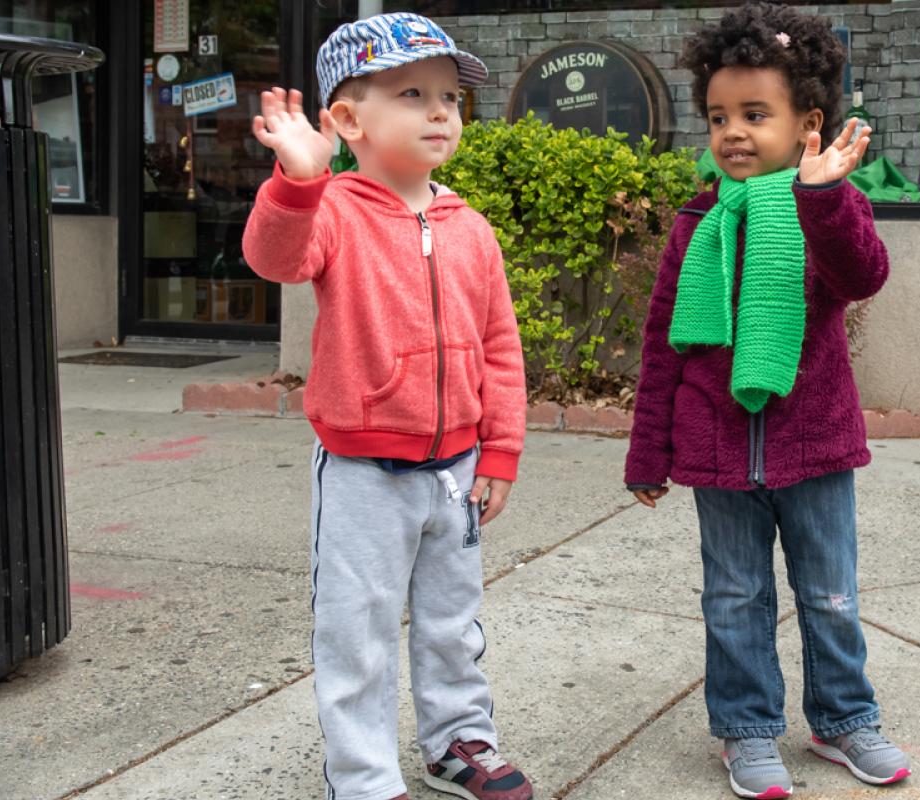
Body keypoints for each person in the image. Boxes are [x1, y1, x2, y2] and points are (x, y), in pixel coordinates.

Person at [624, 4, 912, 797]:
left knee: (831, 595)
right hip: (716, 449)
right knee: (733, 597)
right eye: (720, 116)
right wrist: (649, 451)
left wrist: (823, 199)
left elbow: (863, 275)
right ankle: (747, 729)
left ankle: (844, 718)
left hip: (814, 445)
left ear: (807, 124)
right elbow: (664, 345)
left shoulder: (830, 208)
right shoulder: (698, 222)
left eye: (756, 114)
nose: (734, 133)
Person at [242, 12, 532, 800]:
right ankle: (364, 776)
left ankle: (459, 742)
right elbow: (274, 258)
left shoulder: (470, 228)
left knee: (453, 624)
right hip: (363, 474)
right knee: (357, 632)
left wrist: (502, 449)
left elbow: (500, 346)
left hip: (456, 471)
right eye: (413, 94)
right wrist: (299, 180)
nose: (441, 111)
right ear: (347, 120)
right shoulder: (331, 210)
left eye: (450, 97)